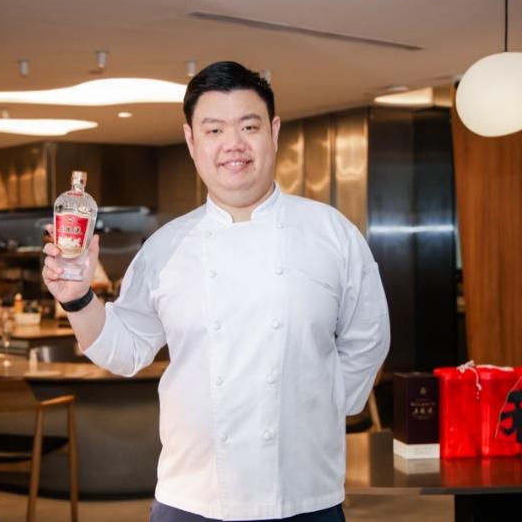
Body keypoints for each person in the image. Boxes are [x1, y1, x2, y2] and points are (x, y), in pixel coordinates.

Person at [43, 61, 390, 522]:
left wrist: (317, 405)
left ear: (274, 132)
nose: (233, 145)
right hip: (192, 496)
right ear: (191, 141)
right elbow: (125, 352)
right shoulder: (165, 247)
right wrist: (78, 298)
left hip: (304, 494)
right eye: (214, 130)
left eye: (249, 126)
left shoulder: (331, 233)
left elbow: (368, 337)